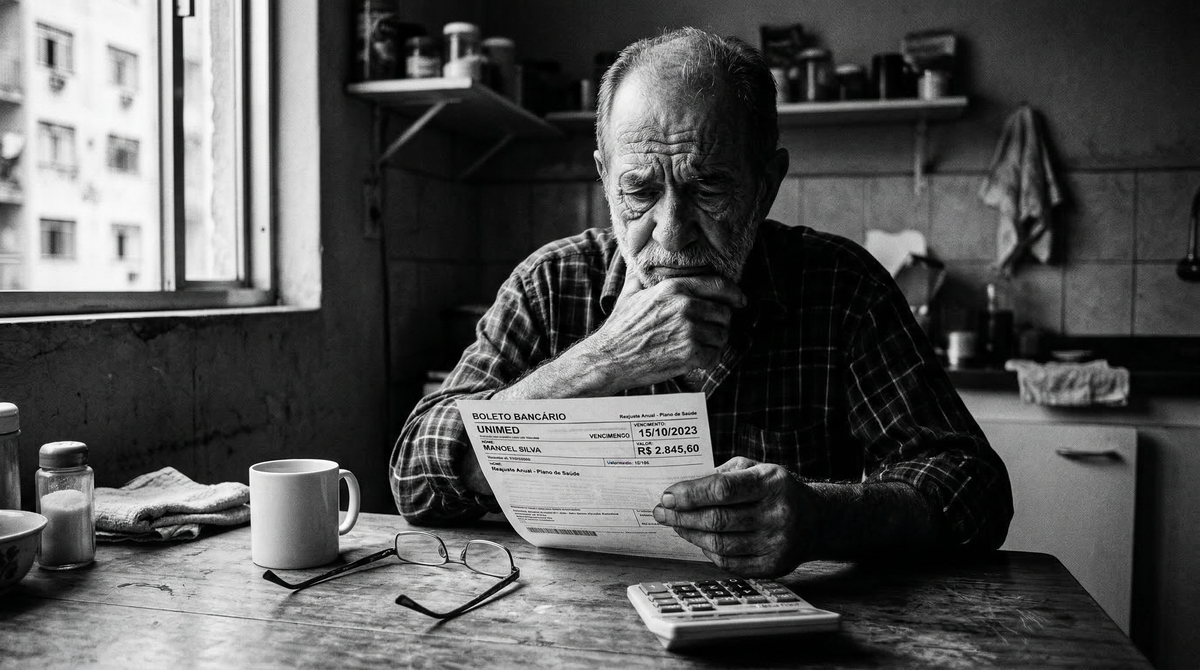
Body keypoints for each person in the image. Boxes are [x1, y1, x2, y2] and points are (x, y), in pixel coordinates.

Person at [391, 27, 1012, 578]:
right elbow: (416, 471)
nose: (671, 232)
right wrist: (602, 360)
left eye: (709, 187)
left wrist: (824, 517)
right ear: (605, 176)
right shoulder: (551, 285)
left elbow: (973, 490)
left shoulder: (841, 288)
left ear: (766, 184)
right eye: (639, 190)